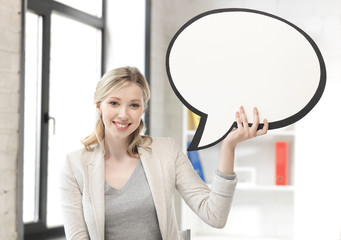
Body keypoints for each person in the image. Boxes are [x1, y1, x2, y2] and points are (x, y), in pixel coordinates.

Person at [60, 66, 269, 240]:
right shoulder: (75, 165)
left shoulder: (166, 152)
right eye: (114, 103)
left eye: (133, 105)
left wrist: (228, 147)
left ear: (142, 110)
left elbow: (215, 215)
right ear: (99, 106)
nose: (123, 114)